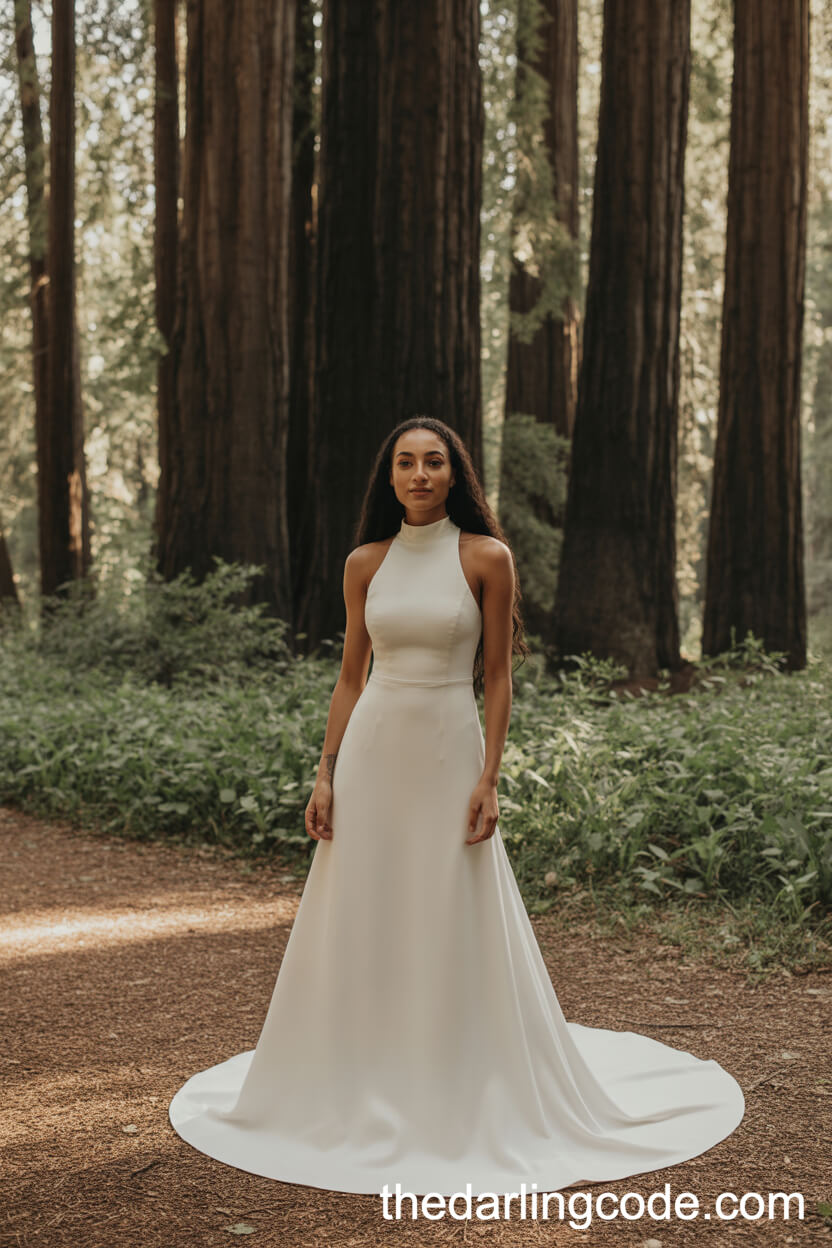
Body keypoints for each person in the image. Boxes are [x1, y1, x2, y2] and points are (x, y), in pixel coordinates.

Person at [168, 416, 745, 1196]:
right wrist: (326, 770)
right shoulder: (364, 562)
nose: (419, 475)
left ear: (454, 472)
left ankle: (457, 1069)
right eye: (405, 463)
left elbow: (499, 676)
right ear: (389, 477)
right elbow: (348, 677)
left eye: (433, 462)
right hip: (372, 749)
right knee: (365, 900)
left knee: (449, 898)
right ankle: (359, 1067)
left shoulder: (486, 556)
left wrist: (490, 776)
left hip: (448, 749)